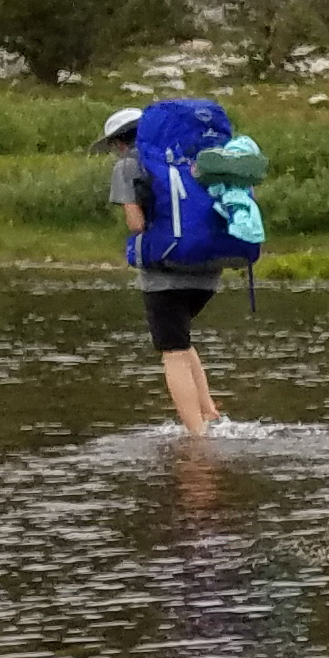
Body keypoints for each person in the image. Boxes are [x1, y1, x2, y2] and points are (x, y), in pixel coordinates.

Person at [102, 106, 225, 434]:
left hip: (164, 274)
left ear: (120, 142)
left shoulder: (128, 165)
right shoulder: (189, 158)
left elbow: (136, 223)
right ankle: (209, 410)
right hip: (210, 270)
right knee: (181, 340)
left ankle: (197, 438)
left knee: (171, 352)